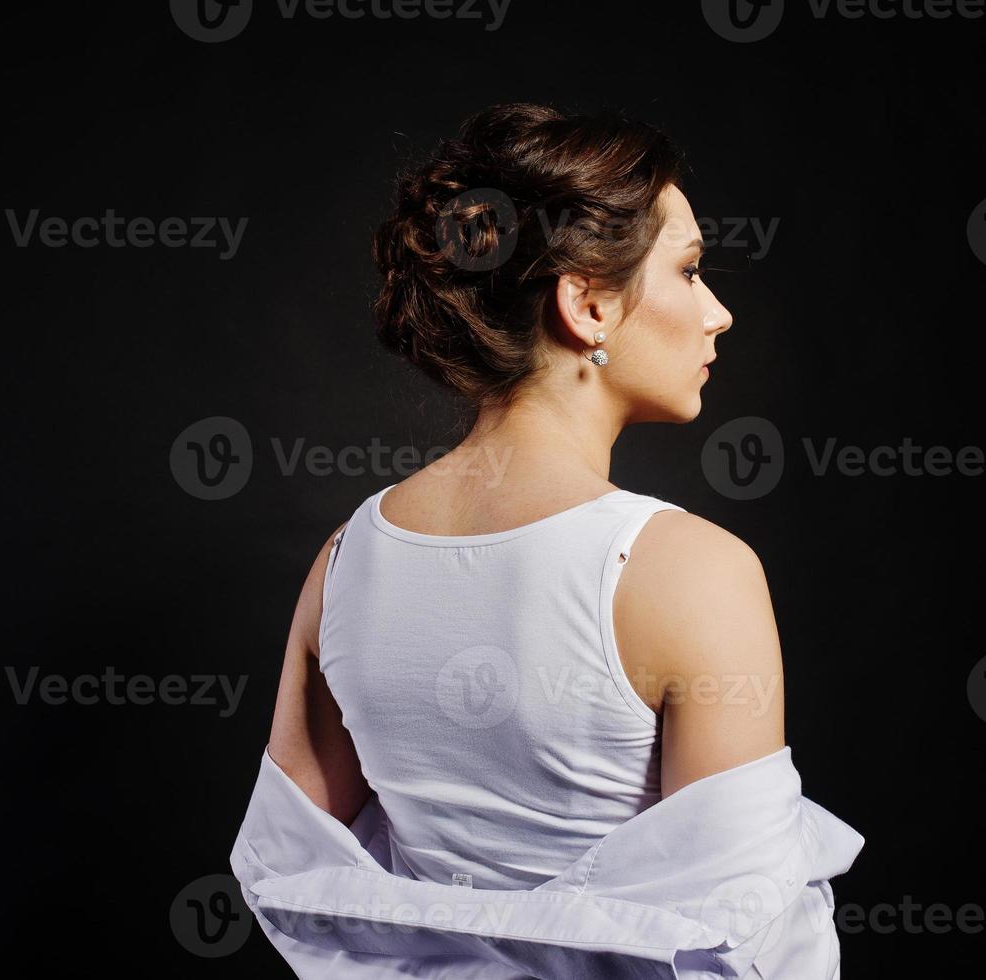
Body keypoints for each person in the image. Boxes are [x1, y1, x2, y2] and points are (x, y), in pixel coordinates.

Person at [235, 102, 862, 979]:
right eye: (688, 271)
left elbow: (291, 873)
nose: (717, 313)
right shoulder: (693, 571)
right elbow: (746, 942)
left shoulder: (345, 559)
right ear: (589, 304)